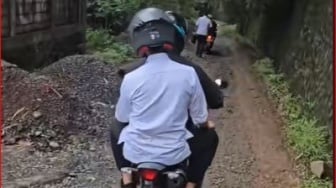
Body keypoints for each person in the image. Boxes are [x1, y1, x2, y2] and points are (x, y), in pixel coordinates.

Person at [110, 8, 223, 188]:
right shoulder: (189, 72)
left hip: (137, 153)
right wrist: (205, 124)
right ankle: (192, 183)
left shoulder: (130, 74)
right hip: (175, 153)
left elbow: (122, 118)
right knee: (210, 137)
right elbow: (202, 116)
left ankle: (127, 179)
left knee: (115, 126)